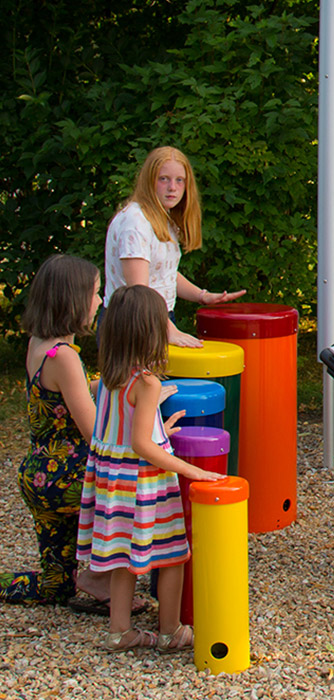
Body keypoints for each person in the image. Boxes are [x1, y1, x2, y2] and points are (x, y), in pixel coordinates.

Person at [76, 285, 225, 652]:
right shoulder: (146, 383)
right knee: (173, 555)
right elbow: (141, 444)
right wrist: (192, 470)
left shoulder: (110, 379)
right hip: (143, 484)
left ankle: (120, 632)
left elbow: (122, 431)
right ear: (152, 333)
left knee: (123, 558)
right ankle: (170, 630)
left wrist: (162, 429)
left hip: (113, 484)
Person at [0, 255, 115, 608]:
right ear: (73, 299)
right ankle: (100, 578)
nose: (100, 301)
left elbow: (62, 394)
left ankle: (76, 579)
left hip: (38, 476)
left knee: (56, 588)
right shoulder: (64, 355)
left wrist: (110, 383)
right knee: (129, 483)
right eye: (95, 293)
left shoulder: (40, 344)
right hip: (67, 479)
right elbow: (93, 431)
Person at [104, 146, 246, 348]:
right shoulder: (135, 222)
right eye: (163, 179)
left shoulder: (163, 217)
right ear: (148, 180)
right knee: (141, 382)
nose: (172, 187)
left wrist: (202, 296)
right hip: (130, 325)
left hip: (156, 320)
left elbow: (163, 272)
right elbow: (139, 291)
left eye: (179, 180)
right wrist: (169, 329)